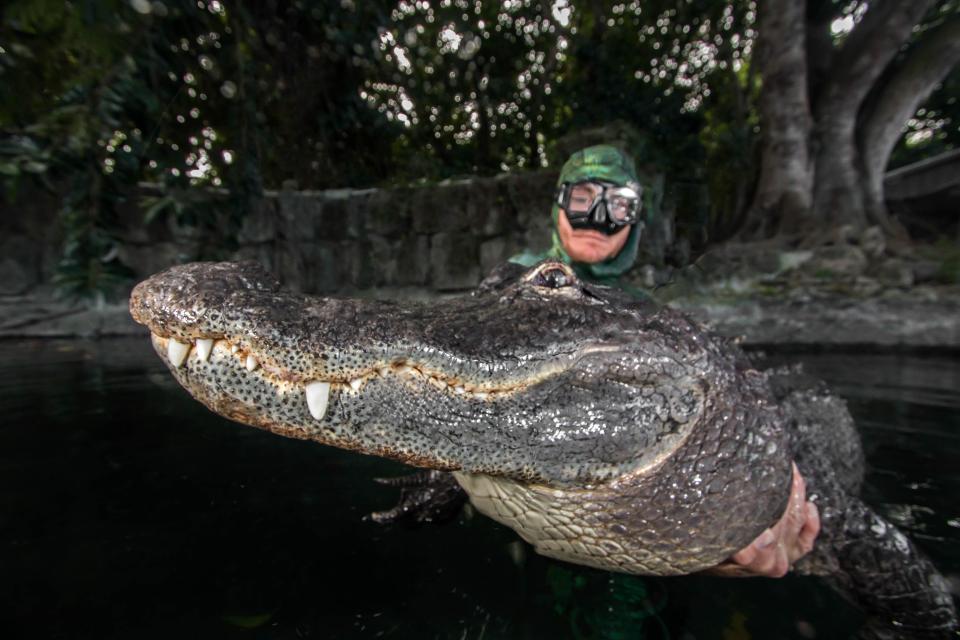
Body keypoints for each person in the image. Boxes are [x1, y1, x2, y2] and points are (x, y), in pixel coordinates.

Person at [512, 144, 820, 578]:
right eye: (583, 198)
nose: (598, 218)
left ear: (634, 221)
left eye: (618, 205)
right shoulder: (509, 285)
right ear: (559, 203)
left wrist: (737, 510)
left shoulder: (645, 310)